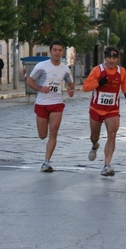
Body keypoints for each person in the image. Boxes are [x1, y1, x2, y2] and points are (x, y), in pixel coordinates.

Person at [26, 40, 75, 172]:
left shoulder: (65, 69)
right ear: (50, 51)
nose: (57, 52)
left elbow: (71, 84)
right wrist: (40, 88)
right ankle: (46, 158)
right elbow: (29, 81)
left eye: (60, 50)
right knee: (42, 135)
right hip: (42, 103)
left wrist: (71, 90)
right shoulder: (41, 66)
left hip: (57, 104)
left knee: (53, 133)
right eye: (55, 50)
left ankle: (46, 162)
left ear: (62, 52)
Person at [83, 46, 126, 176]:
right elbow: (85, 87)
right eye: (109, 57)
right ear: (105, 58)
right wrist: (98, 83)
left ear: (117, 59)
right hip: (96, 109)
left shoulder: (121, 71)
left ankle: (107, 165)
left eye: (114, 57)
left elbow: (123, 83)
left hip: (112, 110)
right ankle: (94, 145)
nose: (111, 60)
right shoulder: (97, 70)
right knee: (94, 136)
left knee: (112, 135)